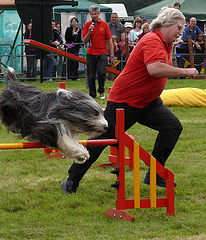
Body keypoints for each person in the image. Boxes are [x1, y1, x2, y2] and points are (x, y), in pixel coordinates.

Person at [61, 7, 199, 194]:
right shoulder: (152, 40)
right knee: (101, 141)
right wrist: (185, 71)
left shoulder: (166, 42)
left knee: (172, 127)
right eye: (179, 27)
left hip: (148, 102)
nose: (181, 32)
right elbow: (154, 69)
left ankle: (155, 173)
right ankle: (72, 179)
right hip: (124, 102)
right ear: (166, 24)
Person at [82, 5, 114, 99]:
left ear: (98, 14)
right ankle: (92, 94)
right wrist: (89, 31)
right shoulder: (87, 25)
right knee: (91, 76)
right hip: (91, 53)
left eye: (95, 14)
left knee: (101, 72)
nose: (94, 16)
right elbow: (84, 40)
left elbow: (109, 40)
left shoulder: (104, 25)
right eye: (92, 14)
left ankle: (101, 90)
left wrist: (111, 55)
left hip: (102, 52)